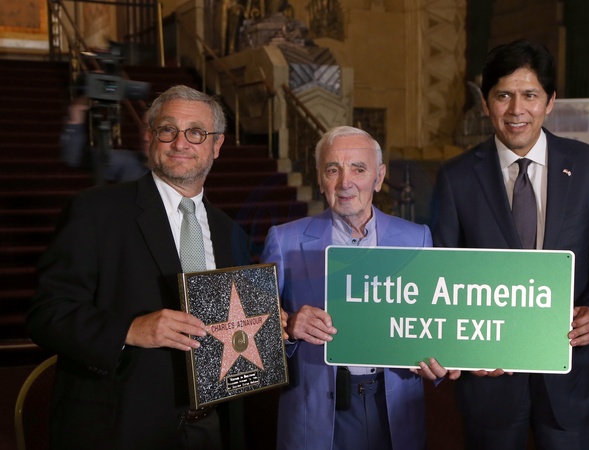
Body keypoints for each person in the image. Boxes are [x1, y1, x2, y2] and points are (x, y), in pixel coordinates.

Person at [430, 39, 589, 449]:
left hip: (569, 371)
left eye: (530, 95)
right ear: (486, 103)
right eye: (503, 95)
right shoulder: (455, 178)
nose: (516, 109)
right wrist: (462, 347)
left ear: (550, 101)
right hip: (489, 378)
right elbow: (440, 275)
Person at [27, 85, 250, 450]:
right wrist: (130, 330)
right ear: (151, 136)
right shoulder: (95, 211)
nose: (181, 143)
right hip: (120, 429)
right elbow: (46, 315)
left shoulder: (230, 233)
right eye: (168, 129)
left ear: (217, 145)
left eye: (196, 132)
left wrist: (265, 327)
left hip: (210, 429)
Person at [261, 125, 456, 450]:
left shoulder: (417, 238)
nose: (345, 182)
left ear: (379, 177)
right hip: (317, 415)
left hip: (394, 409)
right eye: (332, 170)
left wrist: (441, 360)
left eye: (358, 169)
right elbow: (255, 336)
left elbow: (433, 322)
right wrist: (290, 327)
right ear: (320, 179)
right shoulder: (284, 240)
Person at [60, 94, 149, 184]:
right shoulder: (129, 161)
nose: (145, 137)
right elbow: (75, 157)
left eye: (154, 129)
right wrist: (76, 117)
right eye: (144, 127)